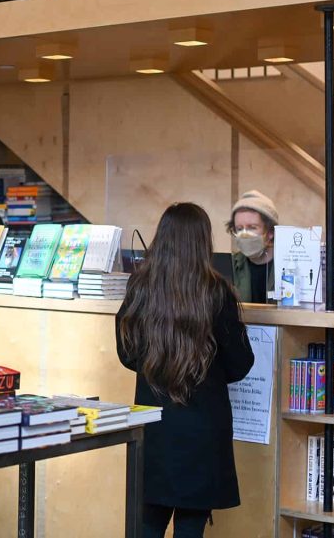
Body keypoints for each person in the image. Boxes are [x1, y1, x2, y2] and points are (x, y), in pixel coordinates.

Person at [116, 202, 254, 538]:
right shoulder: (216, 292)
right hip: (202, 430)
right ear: (203, 242)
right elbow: (240, 363)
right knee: (191, 526)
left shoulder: (140, 288)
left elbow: (126, 353)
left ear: (160, 238)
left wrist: (154, 369)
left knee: (146, 523)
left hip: (151, 427)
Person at [226, 190, 279, 304]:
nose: (244, 234)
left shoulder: (288, 264)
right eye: (239, 229)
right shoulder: (231, 266)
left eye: (252, 227)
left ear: (270, 232)